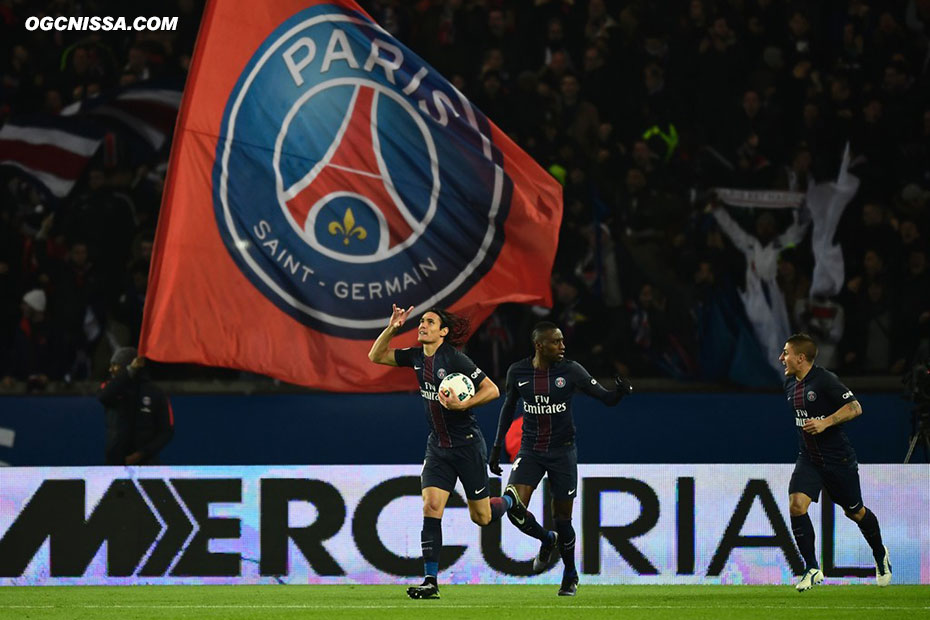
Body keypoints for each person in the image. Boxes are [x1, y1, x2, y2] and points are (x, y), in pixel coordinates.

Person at [368, 304, 511, 600]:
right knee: (431, 507)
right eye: (421, 321)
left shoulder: (455, 359)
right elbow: (376, 355)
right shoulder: (416, 357)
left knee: (482, 517)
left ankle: (511, 500)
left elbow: (493, 390)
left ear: (443, 332)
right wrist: (393, 328)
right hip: (438, 447)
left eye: (430, 322)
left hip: (467, 445)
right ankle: (430, 581)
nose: (423, 325)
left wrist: (463, 405)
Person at [488, 321, 633, 596]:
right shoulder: (518, 372)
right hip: (530, 450)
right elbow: (507, 409)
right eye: (556, 341)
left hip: (562, 452)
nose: (562, 346)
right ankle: (545, 539)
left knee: (563, 519)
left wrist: (619, 393)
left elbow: (604, 397)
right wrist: (496, 448)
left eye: (563, 341)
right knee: (516, 508)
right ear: (539, 345)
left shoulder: (571, 371)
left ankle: (570, 574)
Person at [778, 333, 891, 591]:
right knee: (797, 505)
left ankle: (879, 552)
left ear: (801, 357)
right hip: (808, 458)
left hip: (838, 459)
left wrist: (826, 421)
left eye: (785, 352)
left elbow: (855, 407)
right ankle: (812, 568)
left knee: (855, 511)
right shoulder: (789, 385)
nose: (781, 358)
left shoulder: (825, 379)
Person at [97, 347, 174, 465]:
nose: (110, 369)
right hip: (115, 464)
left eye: (115, 365)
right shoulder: (110, 388)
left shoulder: (156, 393)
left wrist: (142, 454)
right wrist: (130, 371)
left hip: (147, 464)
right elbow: (104, 397)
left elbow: (166, 431)